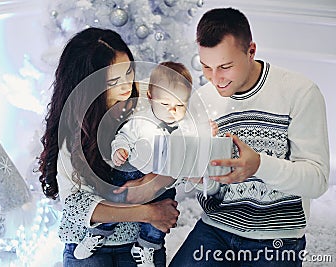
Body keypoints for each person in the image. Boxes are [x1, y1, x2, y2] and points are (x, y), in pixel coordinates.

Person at [169, 7, 330, 266]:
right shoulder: (203, 99)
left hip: (278, 238)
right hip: (216, 229)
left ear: (251, 51)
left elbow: (317, 181)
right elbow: (209, 187)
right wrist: (199, 177)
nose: (215, 79)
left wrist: (259, 165)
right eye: (206, 67)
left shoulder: (300, 92)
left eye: (225, 66)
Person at [38, 27, 179, 267]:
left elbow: (180, 154)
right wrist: (148, 212)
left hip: (140, 248)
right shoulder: (72, 132)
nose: (126, 86)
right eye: (114, 81)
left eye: (128, 72)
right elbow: (75, 206)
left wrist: (156, 181)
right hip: (89, 250)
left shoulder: (147, 105)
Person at [74, 62, 201, 264]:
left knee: (160, 220)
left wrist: (206, 133)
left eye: (180, 105)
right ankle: (97, 233)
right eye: (166, 104)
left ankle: (145, 248)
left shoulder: (185, 127)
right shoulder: (141, 120)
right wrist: (120, 150)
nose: (172, 111)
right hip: (131, 174)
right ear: (150, 97)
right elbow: (123, 137)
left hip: (161, 180)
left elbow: (195, 148)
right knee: (116, 199)